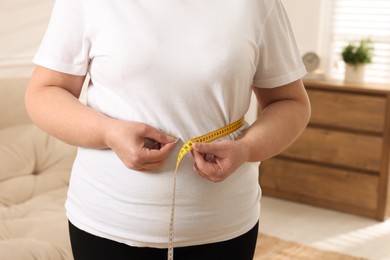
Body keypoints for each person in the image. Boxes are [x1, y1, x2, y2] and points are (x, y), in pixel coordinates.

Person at [25, 0, 311, 259]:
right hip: (107, 224)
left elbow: (290, 103)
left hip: (223, 225)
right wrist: (108, 132)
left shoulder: (257, 4)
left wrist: (247, 148)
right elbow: (44, 92)